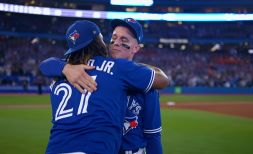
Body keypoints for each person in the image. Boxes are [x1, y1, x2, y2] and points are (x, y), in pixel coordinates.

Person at [40, 20, 169, 154]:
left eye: (124, 39)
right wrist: (64, 67)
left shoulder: (146, 86)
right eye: (114, 37)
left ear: (136, 48)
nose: (117, 42)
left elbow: (152, 135)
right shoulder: (85, 69)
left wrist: (64, 67)